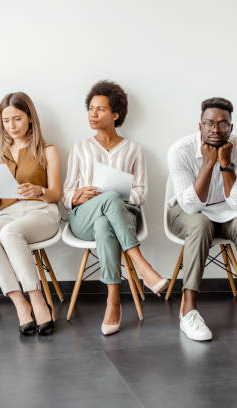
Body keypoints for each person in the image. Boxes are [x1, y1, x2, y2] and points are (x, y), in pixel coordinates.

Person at [63, 80, 168, 336]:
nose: (93, 114)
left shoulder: (133, 149)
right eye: (90, 108)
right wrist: (78, 195)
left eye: (100, 109)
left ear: (116, 114)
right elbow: (66, 194)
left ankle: (113, 301)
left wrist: (116, 193)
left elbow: (141, 194)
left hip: (123, 216)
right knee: (104, 204)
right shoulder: (79, 148)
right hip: (83, 217)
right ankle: (142, 265)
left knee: (106, 219)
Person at [167, 97, 237, 341]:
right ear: (200, 126)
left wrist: (225, 164)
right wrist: (209, 164)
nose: (215, 130)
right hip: (186, 213)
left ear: (231, 127)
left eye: (222, 124)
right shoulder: (180, 150)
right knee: (200, 222)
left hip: (227, 211)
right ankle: (188, 310)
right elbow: (189, 205)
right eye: (209, 123)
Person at [0, 92, 61, 336]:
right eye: (6, 120)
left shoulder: (48, 150)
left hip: (42, 211)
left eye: (17, 119)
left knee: (10, 232)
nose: (11, 126)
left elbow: (55, 194)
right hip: (8, 213)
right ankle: (19, 303)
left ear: (30, 118)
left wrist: (39, 189)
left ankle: (37, 299)